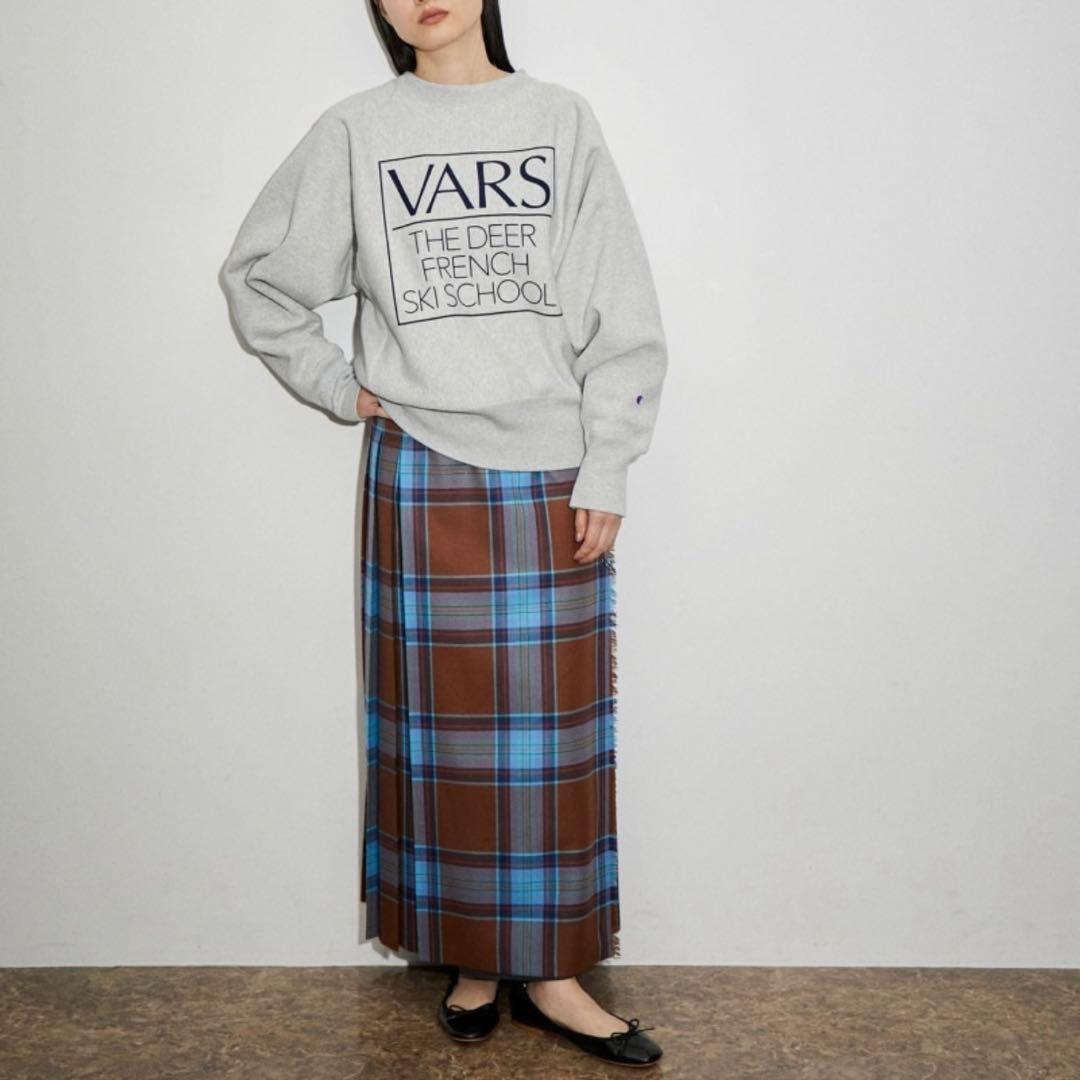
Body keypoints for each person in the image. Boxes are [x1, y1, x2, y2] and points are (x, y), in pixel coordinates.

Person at [220, 0, 668, 1067]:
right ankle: (471, 959)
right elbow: (260, 277)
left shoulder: (559, 119)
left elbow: (621, 308)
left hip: (550, 468)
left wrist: (609, 458)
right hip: (418, 463)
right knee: (437, 736)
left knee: (552, 745)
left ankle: (552, 974)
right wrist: (339, 385)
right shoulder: (357, 130)